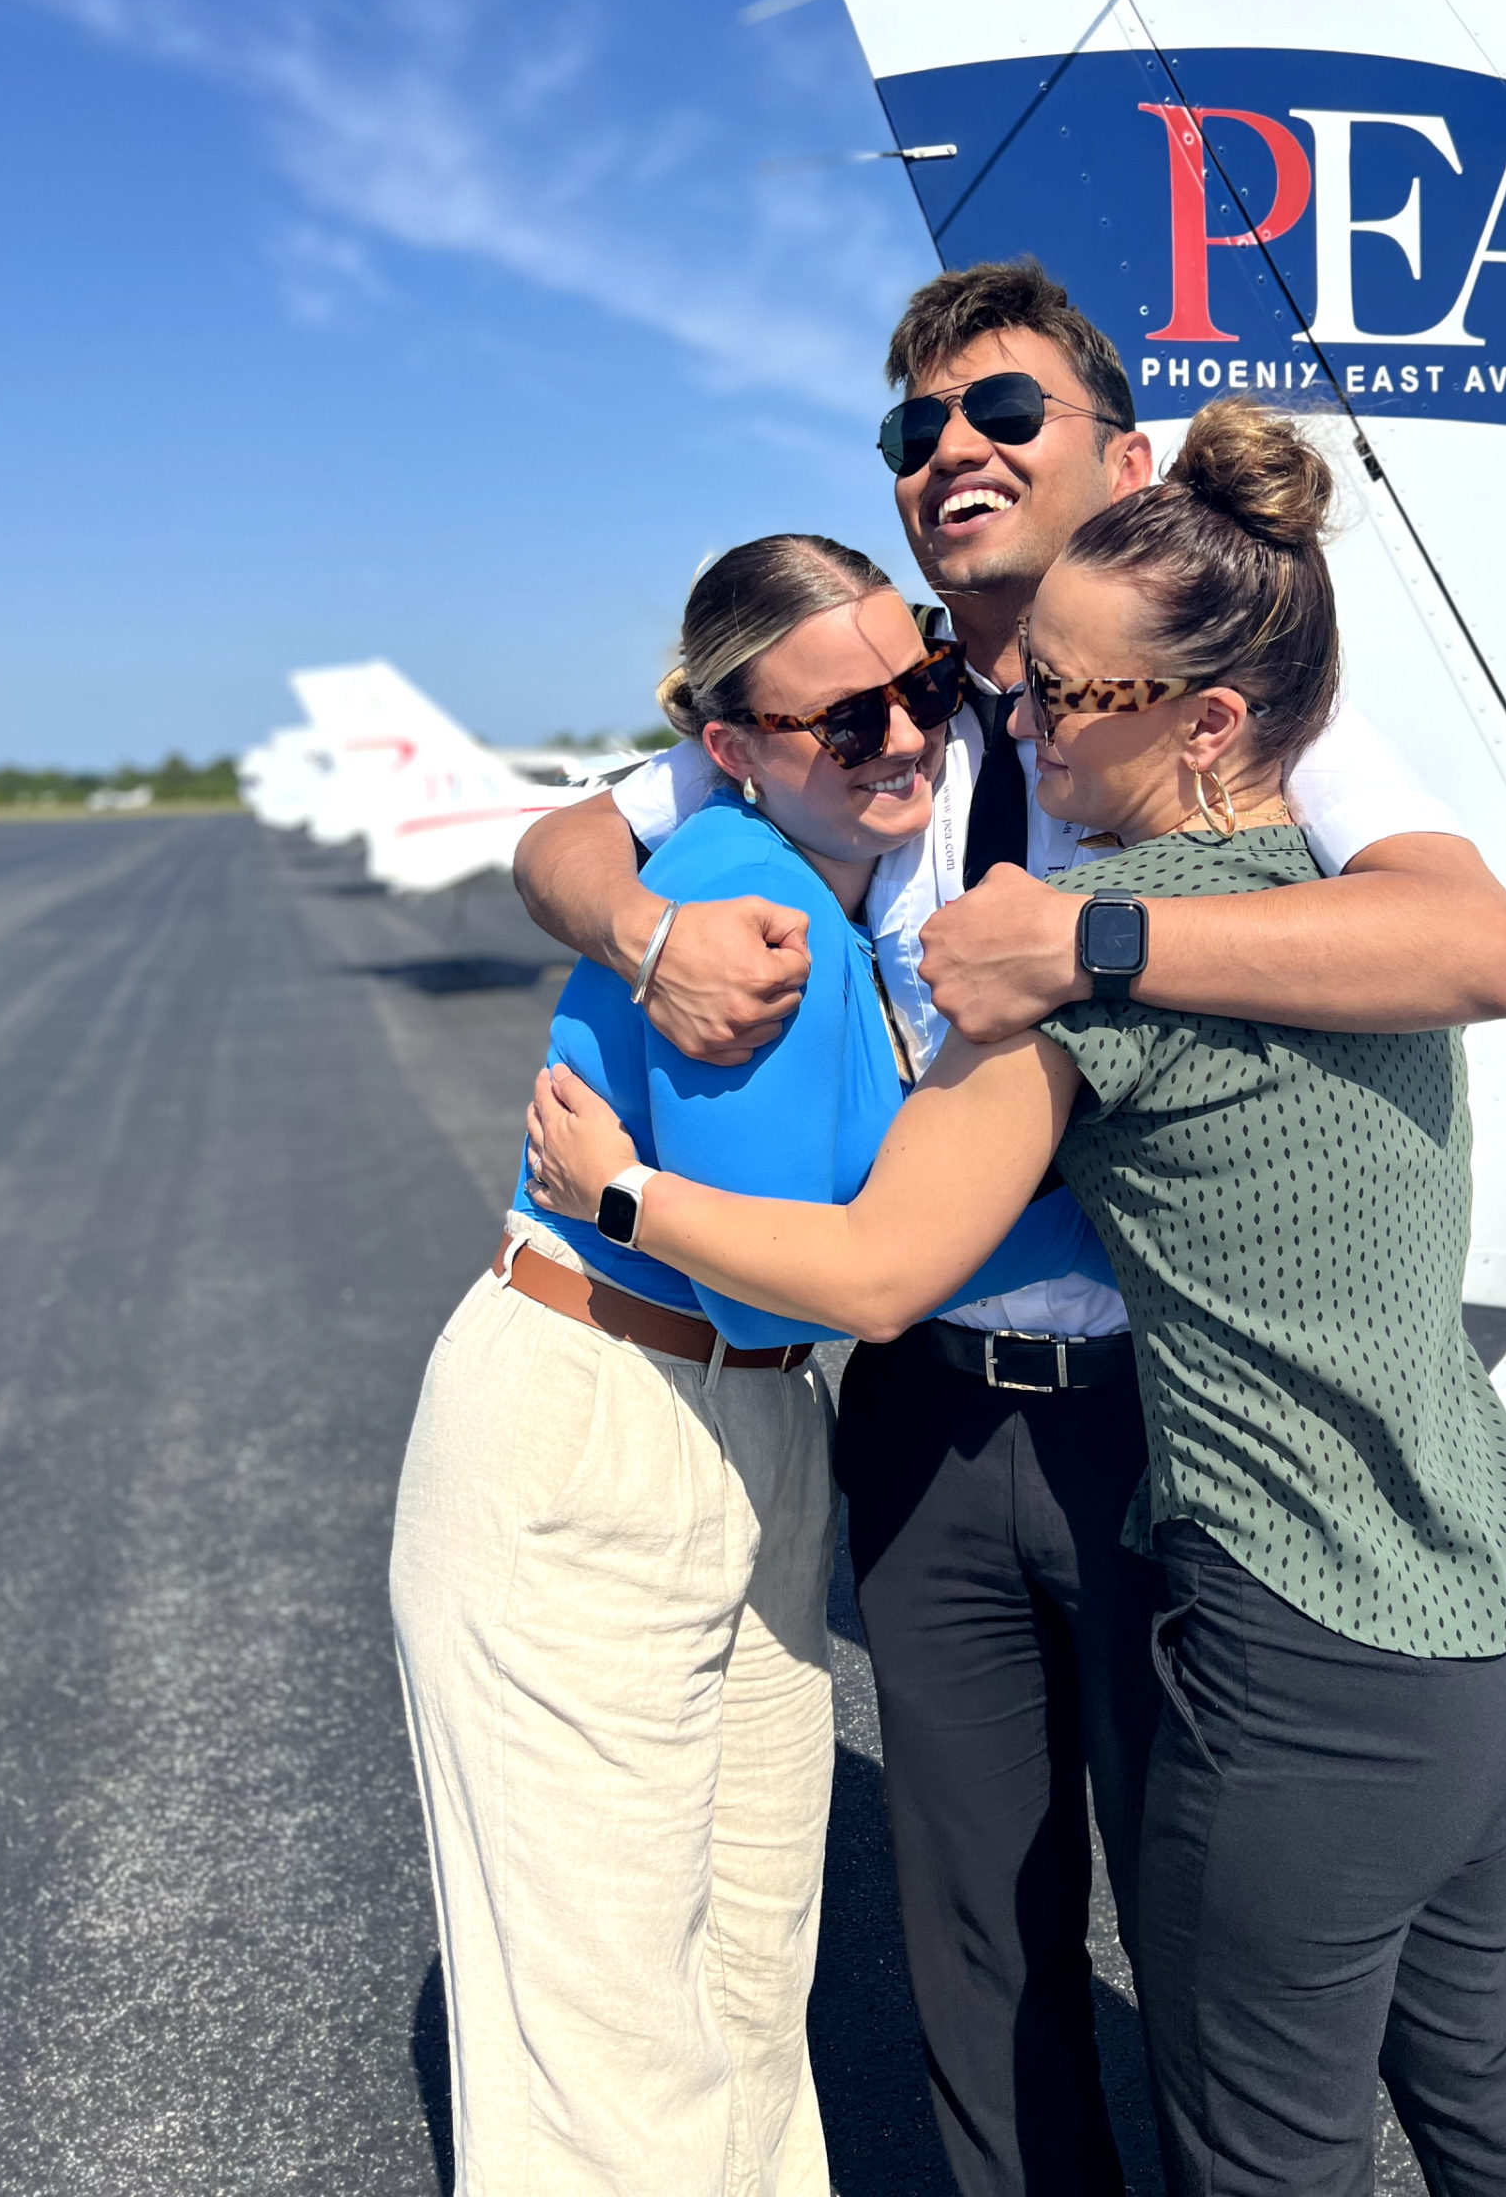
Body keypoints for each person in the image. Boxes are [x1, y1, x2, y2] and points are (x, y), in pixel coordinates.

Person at [515, 260, 1506, 2197]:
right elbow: (567, 831)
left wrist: (1097, 932)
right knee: (976, 1936)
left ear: (1121, 457)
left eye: (1001, 415)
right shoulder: (876, 710)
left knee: (1212, 1940)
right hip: (920, 1402)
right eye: (914, 432)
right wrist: (639, 929)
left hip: (1162, 1425)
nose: (950, 455)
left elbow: (1474, 945)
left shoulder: (1226, 712)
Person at [389, 533, 1102, 2197]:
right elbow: (825, 1278)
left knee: (742, 1983)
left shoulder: (826, 880)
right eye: (846, 727)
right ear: (734, 750)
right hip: (601, 1415)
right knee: (609, 2042)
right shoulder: (744, 907)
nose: (909, 741)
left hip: (747, 1427)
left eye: (919, 690)